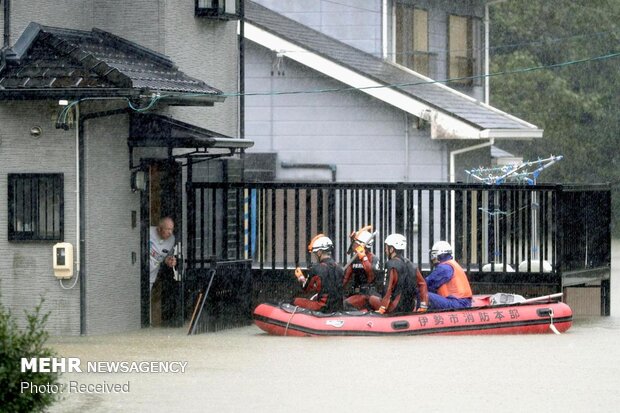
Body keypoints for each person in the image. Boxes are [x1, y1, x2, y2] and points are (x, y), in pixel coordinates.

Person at [369, 234, 428, 314]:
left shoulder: (390, 264)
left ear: (392, 249)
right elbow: (422, 284)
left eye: (386, 247)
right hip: (410, 307)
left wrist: (382, 307)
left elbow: (388, 289)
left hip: (395, 307)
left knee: (369, 298)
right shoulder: (411, 264)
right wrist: (423, 305)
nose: (385, 250)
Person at [293, 234, 344, 313]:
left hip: (323, 307)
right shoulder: (339, 268)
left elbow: (306, 289)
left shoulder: (316, 269)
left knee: (294, 301)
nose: (315, 256)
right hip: (338, 307)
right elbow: (330, 287)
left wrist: (301, 278)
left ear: (319, 252)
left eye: (315, 253)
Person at [425, 241, 472, 309]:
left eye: (434, 255)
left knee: (422, 293)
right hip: (462, 302)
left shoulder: (444, 268)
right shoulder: (451, 264)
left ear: (440, 254)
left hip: (456, 303)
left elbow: (427, 283)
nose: (433, 258)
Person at [342, 226, 381, 310]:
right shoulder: (353, 260)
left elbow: (371, 276)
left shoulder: (373, 259)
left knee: (347, 304)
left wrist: (364, 258)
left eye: (354, 242)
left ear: (360, 245)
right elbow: (345, 279)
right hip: (357, 293)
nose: (352, 245)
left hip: (370, 293)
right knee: (343, 303)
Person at [149, 217, 177, 290]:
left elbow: (167, 257)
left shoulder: (172, 239)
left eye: (172, 229)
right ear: (159, 229)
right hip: (137, 272)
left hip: (150, 277)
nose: (170, 232)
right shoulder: (148, 231)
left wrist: (169, 260)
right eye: (168, 229)